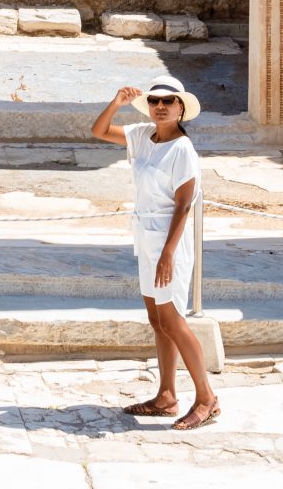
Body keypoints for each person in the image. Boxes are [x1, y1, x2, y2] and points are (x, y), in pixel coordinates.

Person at [91, 74, 220, 430]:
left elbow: (183, 206)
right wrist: (117, 102)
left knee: (174, 320)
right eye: (154, 101)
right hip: (146, 239)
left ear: (181, 107)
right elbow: (99, 131)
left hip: (170, 245)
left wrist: (168, 253)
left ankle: (207, 398)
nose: (160, 107)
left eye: (168, 101)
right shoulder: (140, 137)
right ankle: (166, 396)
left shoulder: (183, 149)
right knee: (158, 320)